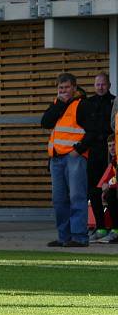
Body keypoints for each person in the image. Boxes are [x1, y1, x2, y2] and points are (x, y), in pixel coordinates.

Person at [41, 72, 95, 248]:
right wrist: (60, 104)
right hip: (56, 159)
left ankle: (79, 237)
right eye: (60, 88)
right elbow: (46, 122)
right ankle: (64, 237)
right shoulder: (58, 104)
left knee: (77, 197)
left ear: (74, 87)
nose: (62, 91)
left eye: (66, 88)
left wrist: (79, 149)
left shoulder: (82, 105)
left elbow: (94, 130)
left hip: (74, 158)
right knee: (59, 200)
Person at [86, 72, 114, 241]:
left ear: (109, 85)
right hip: (93, 153)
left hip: (110, 153)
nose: (100, 87)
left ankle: (114, 227)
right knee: (94, 191)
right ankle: (101, 227)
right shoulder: (88, 103)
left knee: (111, 191)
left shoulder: (114, 101)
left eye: (103, 84)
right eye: (97, 84)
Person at [95, 135, 118, 243]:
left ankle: (115, 231)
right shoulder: (113, 160)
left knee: (112, 195)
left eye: (114, 145)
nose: (112, 148)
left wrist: (109, 185)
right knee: (105, 194)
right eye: (109, 146)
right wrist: (105, 184)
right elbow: (107, 177)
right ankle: (111, 229)